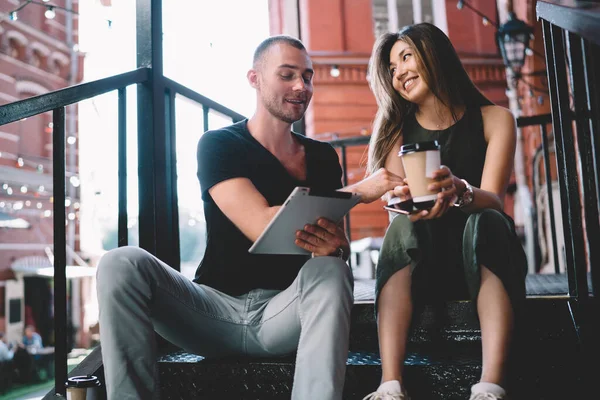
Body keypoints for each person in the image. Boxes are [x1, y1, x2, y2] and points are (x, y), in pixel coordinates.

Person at [96, 35, 402, 400]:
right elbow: (261, 224)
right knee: (121, 262)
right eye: (287, 75)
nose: (300, 87)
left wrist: (337, 250)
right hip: (212, 313)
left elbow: (330, 247)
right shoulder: (220, 144)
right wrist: (359, 191)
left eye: (307, 77)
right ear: (254, 78)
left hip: (284, 314)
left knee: (332, 270)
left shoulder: (322, 158)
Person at [362, 23, 527, 400]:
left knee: (487, 220)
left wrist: (460, 191)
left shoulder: (495, 119)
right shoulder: (395, 131)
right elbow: (397, 216)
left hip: (485, 258)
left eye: (405, 57)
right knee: (400, 229)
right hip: (425, 268)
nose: (399, 72)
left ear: (434, 54)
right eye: (391, 67)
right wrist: (406, 200)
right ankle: (390, 384)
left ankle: (490, 386)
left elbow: (496, 199)